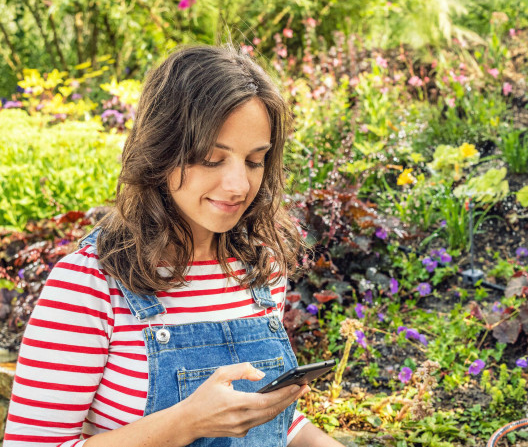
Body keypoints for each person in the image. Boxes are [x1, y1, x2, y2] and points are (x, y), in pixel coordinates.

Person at [4, 45, 344, 447]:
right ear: (161, 152)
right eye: (211, 159)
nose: (238, 186)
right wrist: (186, 422)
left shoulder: (261, 268)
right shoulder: (88, 285)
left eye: (254, 161)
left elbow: (273, 425)